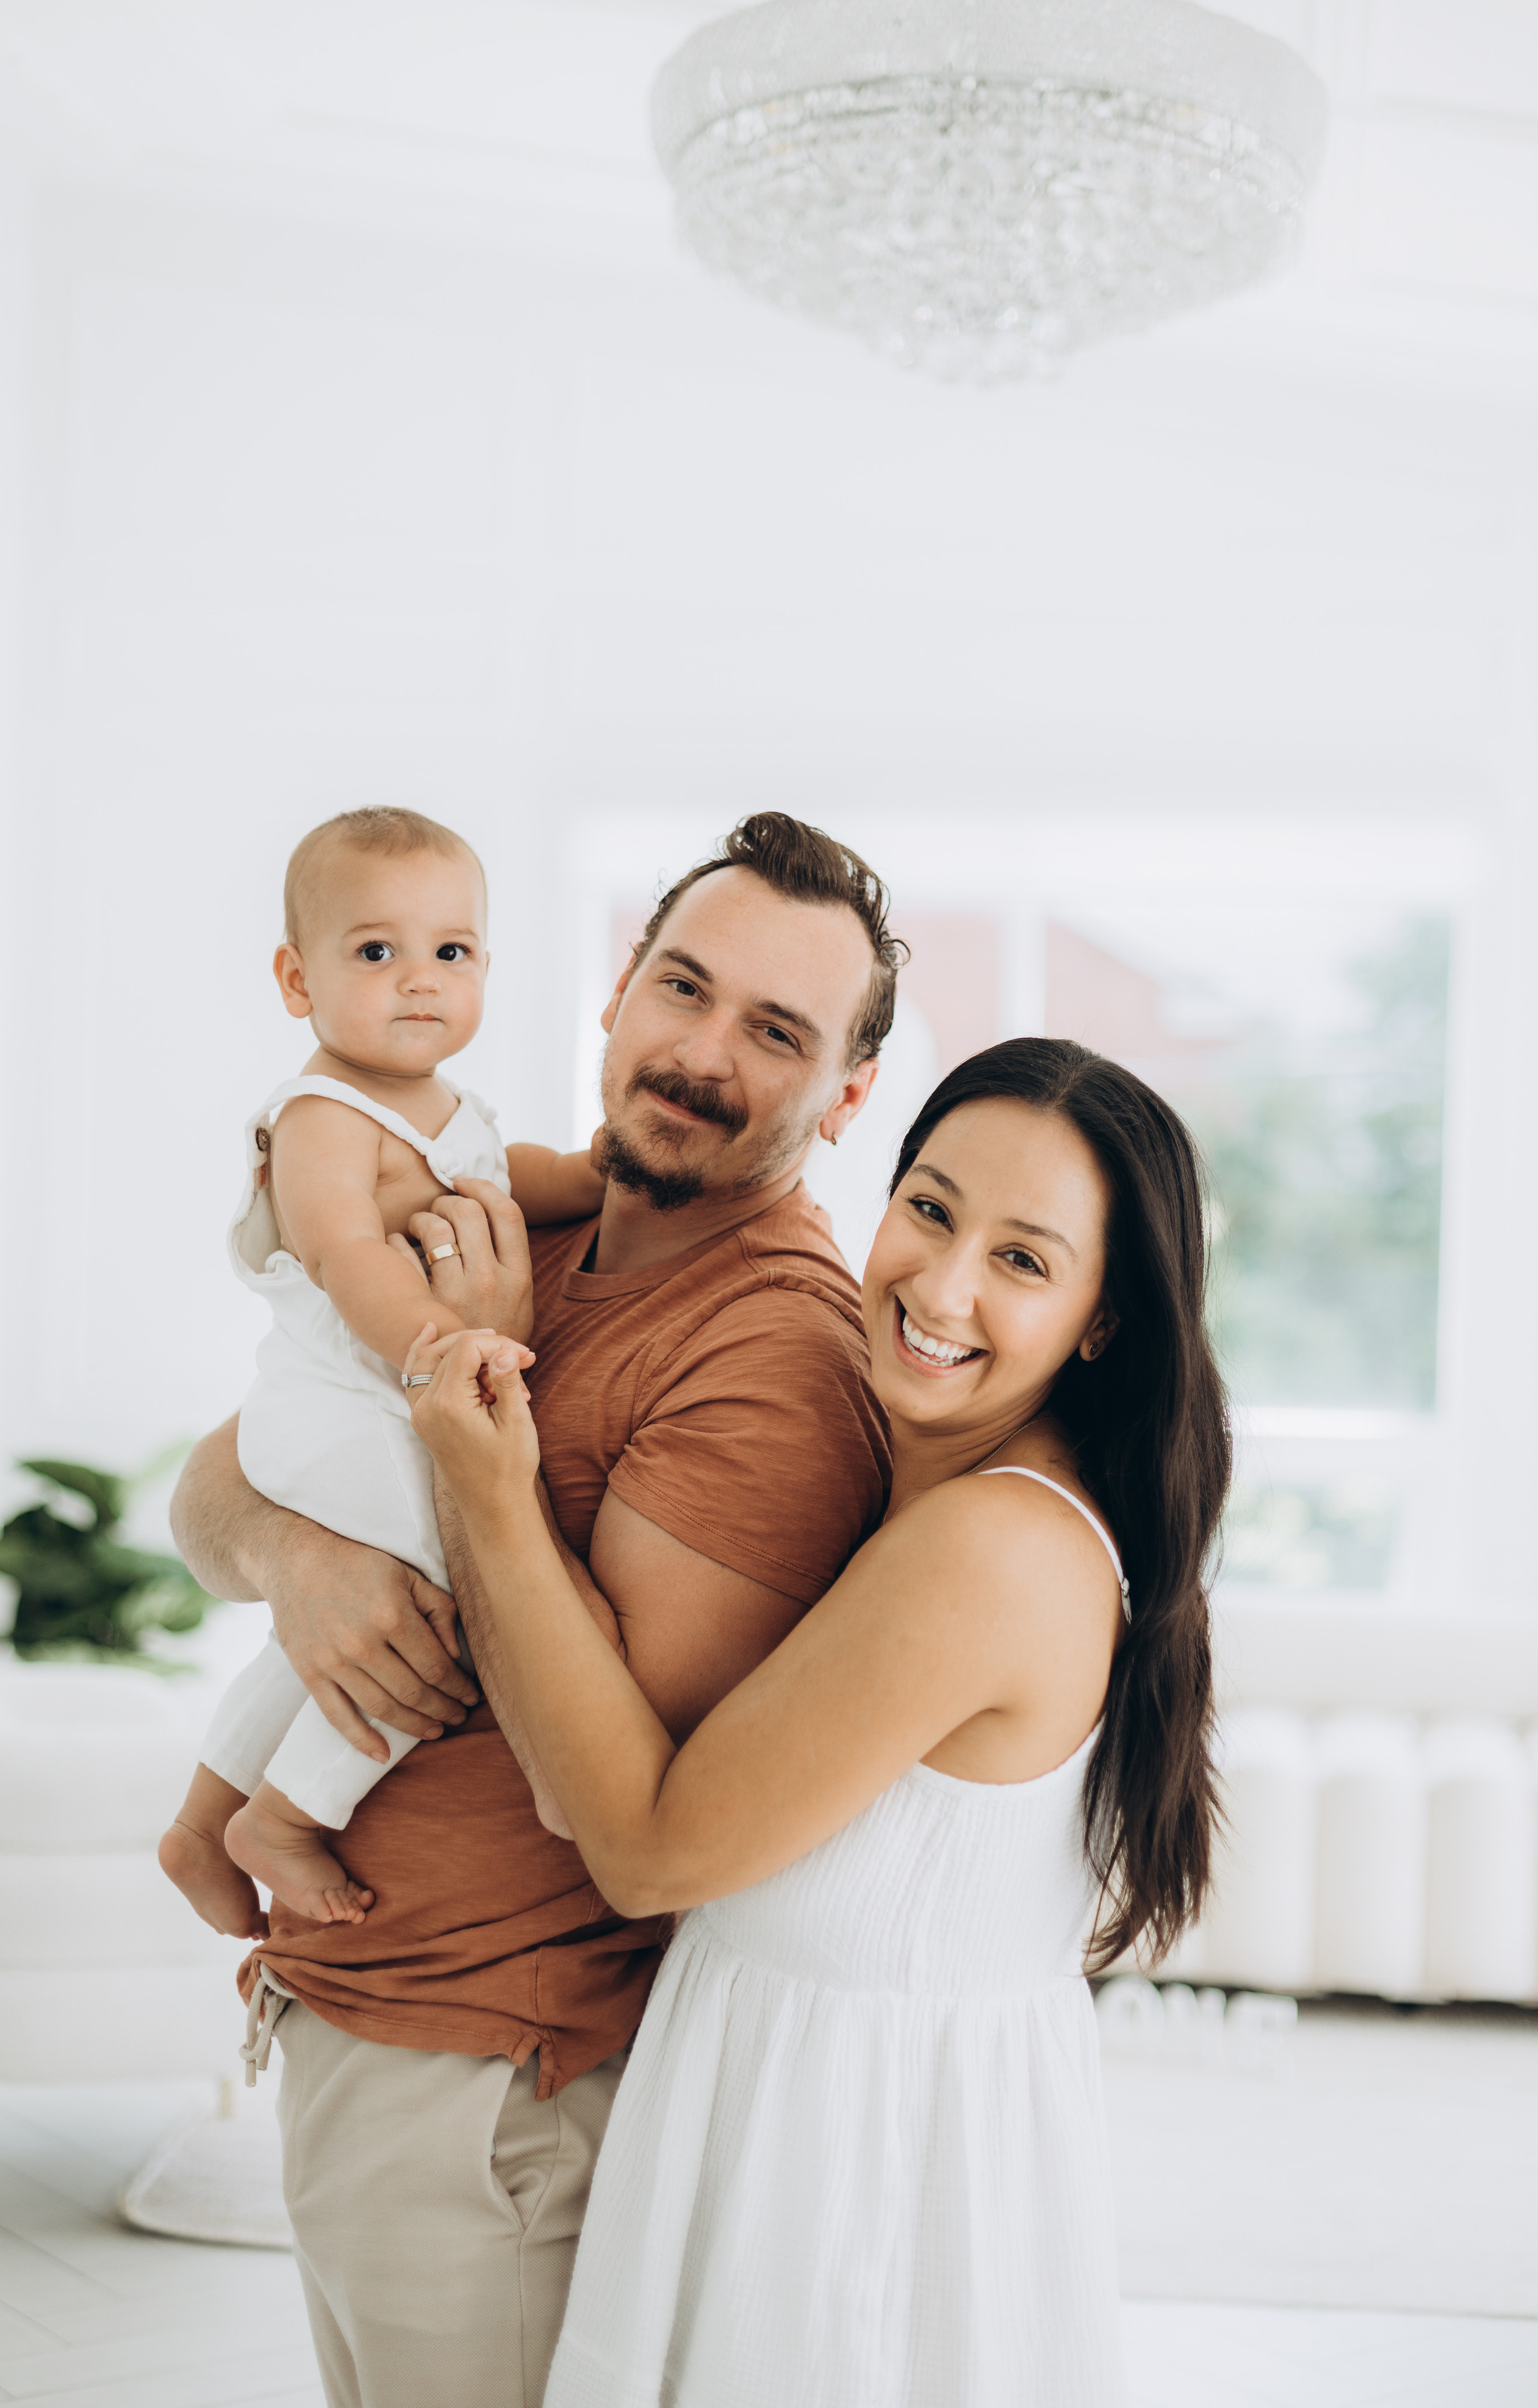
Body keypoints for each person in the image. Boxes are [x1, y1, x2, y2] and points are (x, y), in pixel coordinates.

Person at [167, 812, 897, 2408]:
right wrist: (301, 1560)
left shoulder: (776, 1353)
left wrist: (456, 1422)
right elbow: (213, 1495)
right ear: (617, 989)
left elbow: (605, 1797)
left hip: (494, 2093)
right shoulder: (513, 1213)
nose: (700, 1053)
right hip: (356, 2024)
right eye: (683, 987)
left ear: (847, 1094)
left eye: (776, 1033)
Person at [404, 1036, 1231, 2408]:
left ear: (1103, 1320)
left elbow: (647, 1850)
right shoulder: (929, 1488)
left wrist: (490, 1489)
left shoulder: (989, 1549)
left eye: (1022, 1261)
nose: (943, 1286)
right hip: (803, 2148)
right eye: (930, 1209)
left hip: (843, 2206)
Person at [160, 807, 601, 1940]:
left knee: (321, 1637)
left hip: (371, 1413)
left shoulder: (447, 1106)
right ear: (296, 979)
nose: (420, 980)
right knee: (446, 1592)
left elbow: (508, 1176)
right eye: (375, 951)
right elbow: (345, 1253)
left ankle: (204, 1823)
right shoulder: (321, 1115)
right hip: (331, 1412)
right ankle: (287, 1818)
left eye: (451, 951)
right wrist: (437, 1341)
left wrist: (593, 1176)